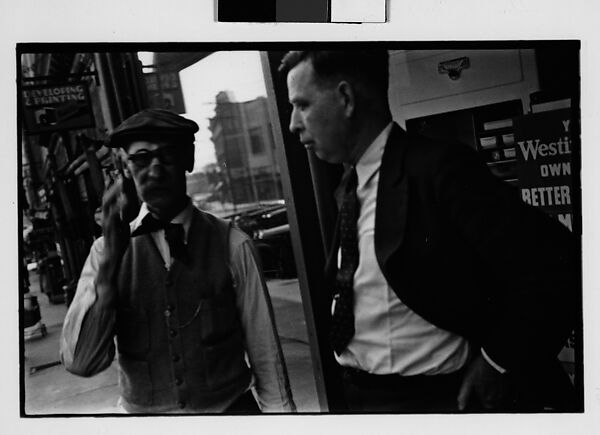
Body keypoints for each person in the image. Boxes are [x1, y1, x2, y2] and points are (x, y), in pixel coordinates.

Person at [281, 50, 578, 413]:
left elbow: (556, 263)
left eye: (302, 104)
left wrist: (498, 362)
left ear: (346, 98)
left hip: (439, 401)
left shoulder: (438, 169)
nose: (294, 123)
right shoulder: (349, 187)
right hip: (366, 398)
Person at [60, 109, 295, 414]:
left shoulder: (233, 243)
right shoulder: (105, 252)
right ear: (126, 169)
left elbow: (265, 352)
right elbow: (82, 362)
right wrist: (109, 268)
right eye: (141, 159)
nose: (155, 171)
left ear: (189, 159)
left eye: (168, 155)